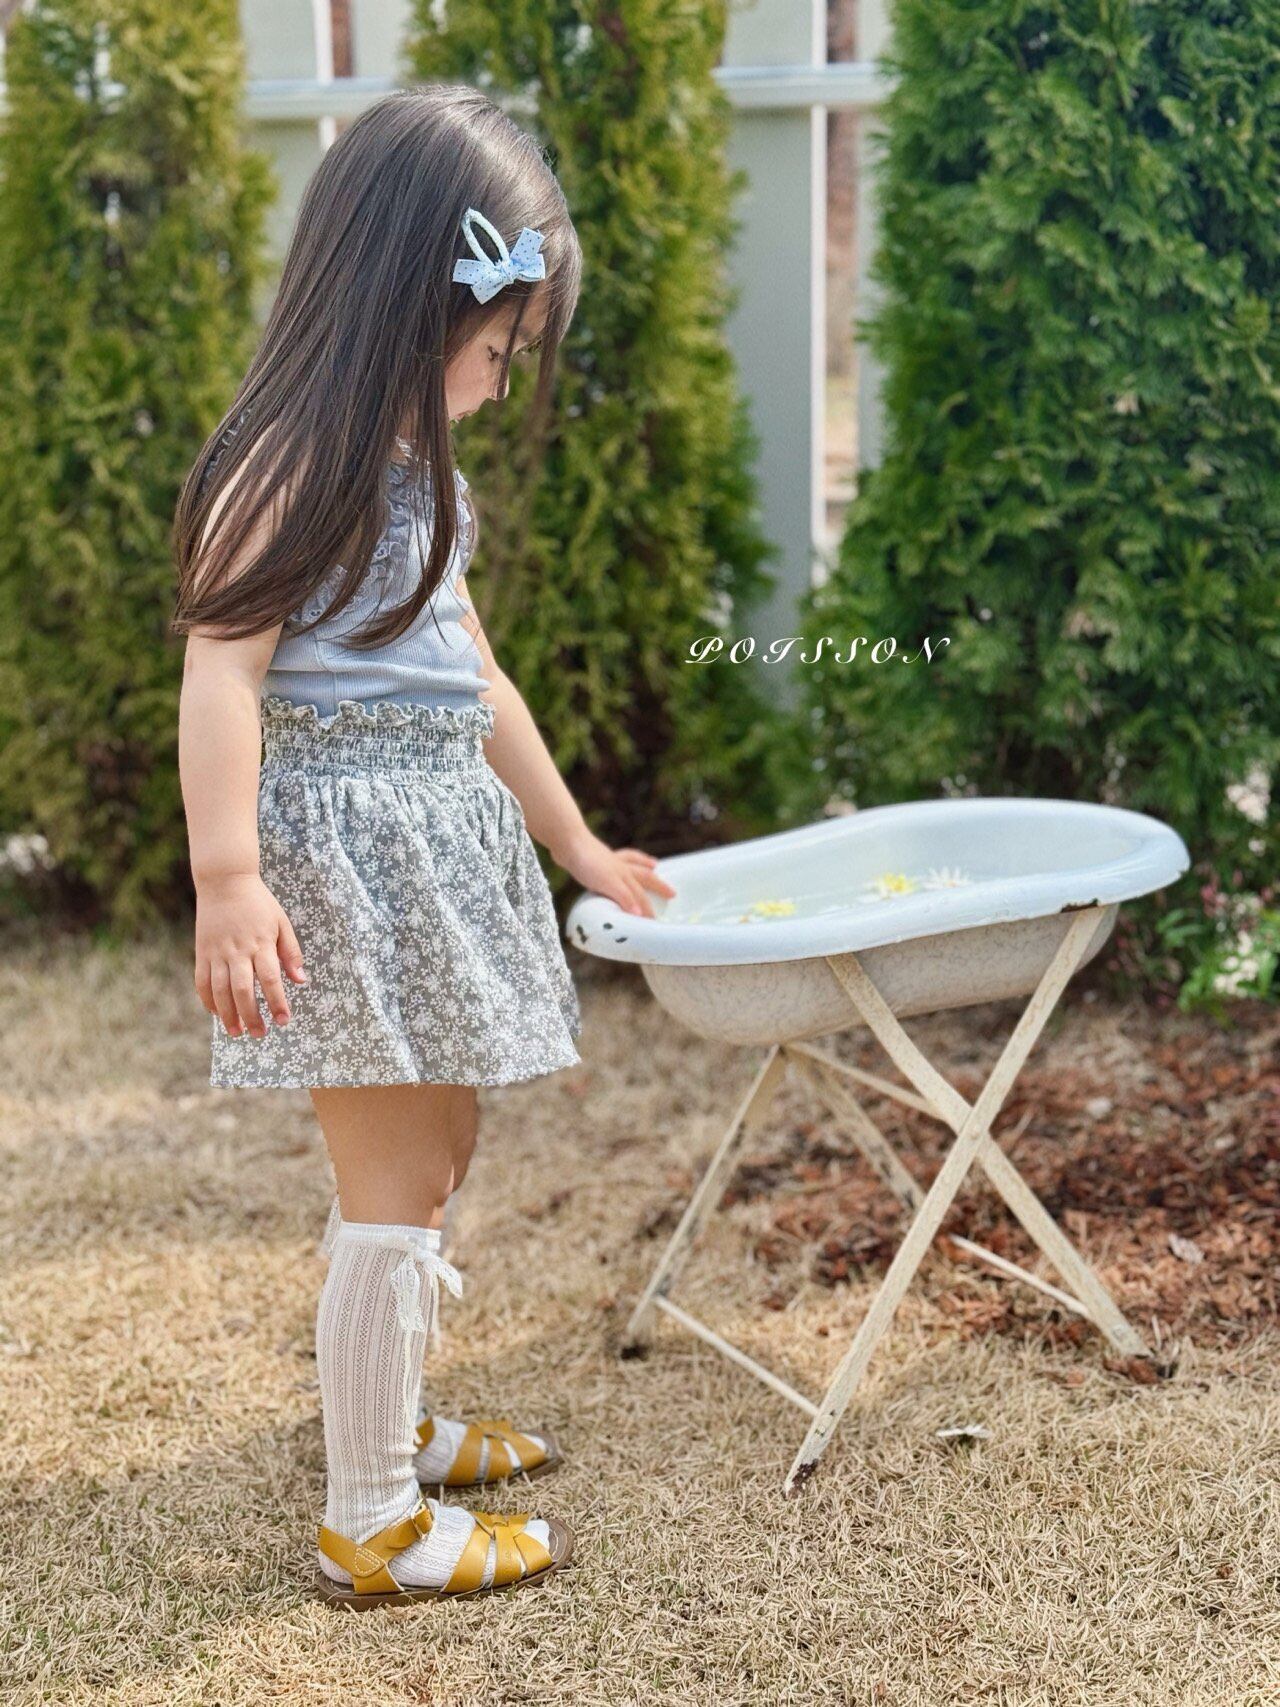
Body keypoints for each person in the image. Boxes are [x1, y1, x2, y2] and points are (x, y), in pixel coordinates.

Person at [170, 85, 675, 1608]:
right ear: (411, 303)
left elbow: (477, 681)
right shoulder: (287, 471)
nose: (502, 384)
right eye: (498, 349)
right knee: (394, 1181)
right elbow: (221, 675)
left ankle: (389, 1413)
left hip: (438, 863)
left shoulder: (417, 477)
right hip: (352, 879)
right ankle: (372, 1518)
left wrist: (577, 844)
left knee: (439, 1156)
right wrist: (228, 878)